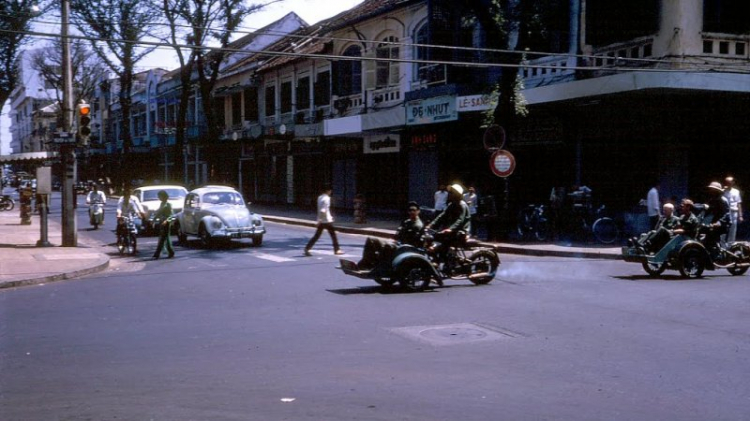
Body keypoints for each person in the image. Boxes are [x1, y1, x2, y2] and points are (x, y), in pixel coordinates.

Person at [357, 201, 425, 270]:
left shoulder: (417, 225)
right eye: (409, 210)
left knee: (388, 246)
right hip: (398, 243)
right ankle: (366, 262)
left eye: (413, 210)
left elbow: (411, 240)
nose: (411, 212)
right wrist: (394, 239)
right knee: (371, 239)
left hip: (404, 247)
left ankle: (380, 265)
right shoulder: (407, 222)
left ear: (418, 211)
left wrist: (397, 242)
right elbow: (398, 234)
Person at [426, 184, 471, 259]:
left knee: (444, 241)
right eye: (450, 192)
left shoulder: (462, 205)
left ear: (457, 194)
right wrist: (431, 225)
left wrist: (451, 229)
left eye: (451, 193)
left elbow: (460, 220)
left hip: (461, 231)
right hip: (452, 230)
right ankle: (439, 257)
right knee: (432, 237)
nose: (449, 194)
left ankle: (444, 258)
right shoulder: (452, 204)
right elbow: (442, 216)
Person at [304, 186, 344, 256]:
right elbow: (323, 210)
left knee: (317, 236)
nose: (331, 192)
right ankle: (337, 250)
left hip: (322, 220)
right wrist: (320, 220)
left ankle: (307, 248)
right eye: (330, 191)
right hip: (326, 220)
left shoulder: (319, 197)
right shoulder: (327, 198)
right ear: (328, 191)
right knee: (333, 235)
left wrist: (320, 219)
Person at [703, 181, 732, 255]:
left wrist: (719, 223)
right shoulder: (712, 200)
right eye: (711, 190)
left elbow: (726, 214)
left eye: (713, 190)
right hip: (713, 223)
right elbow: (707, 212)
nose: (711, 191)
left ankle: (721, 255)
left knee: (717, 238)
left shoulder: (723, 200)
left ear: (717, 191)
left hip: (723, 224)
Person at [152, 190, 175, 259]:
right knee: (164, 238)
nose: (159, 198)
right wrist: (154, 219)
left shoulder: (168, 204)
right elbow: (159, 212)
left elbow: (171, 215)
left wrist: (166, 220)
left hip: (167, 222)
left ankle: (157, 253)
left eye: (160, 196)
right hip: (161, 222)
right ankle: (170, 252)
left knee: (164, 238)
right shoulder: (162, 204)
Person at [723, 176, 743, 243]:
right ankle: (721, 244)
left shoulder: (736, 192)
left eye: (729, 182)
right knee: (723, 227)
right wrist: (722, 189)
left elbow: (739, 203)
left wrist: (740, 215)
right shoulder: (723, 191)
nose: (728, 184)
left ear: (732, 183)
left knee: (733, 229)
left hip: (734, 212)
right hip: (725, 211)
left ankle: (731, 245)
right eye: (726, 182)